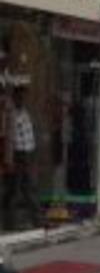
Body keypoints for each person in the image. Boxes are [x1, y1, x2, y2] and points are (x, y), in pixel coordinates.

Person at [3, 87, 41, 230]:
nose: (23, 99)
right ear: (15, 97)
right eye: (20, 97)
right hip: (17, 154)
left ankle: (36, 222)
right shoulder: (10, 113)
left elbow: (29, 135)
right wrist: (9, 159)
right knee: (14, 190)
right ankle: (10, 223)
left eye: (24, 97)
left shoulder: (25, 112)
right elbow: (9, 138)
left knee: (28, 188)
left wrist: (33, 155)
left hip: (28, 153)